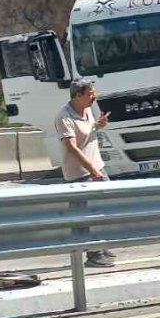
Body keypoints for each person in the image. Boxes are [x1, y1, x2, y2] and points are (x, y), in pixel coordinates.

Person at [55, 80, 115, 268]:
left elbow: (87, 131)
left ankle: (100, 245)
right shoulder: (64, 117)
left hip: (97, 166)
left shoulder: (87, 109)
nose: (94, 96)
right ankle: (93, 254)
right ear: (77, 95)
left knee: (105, 207)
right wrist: (92, 170)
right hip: (80, 173)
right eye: (90, 93)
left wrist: (98, 125)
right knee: (85, 215)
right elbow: (72, 148)